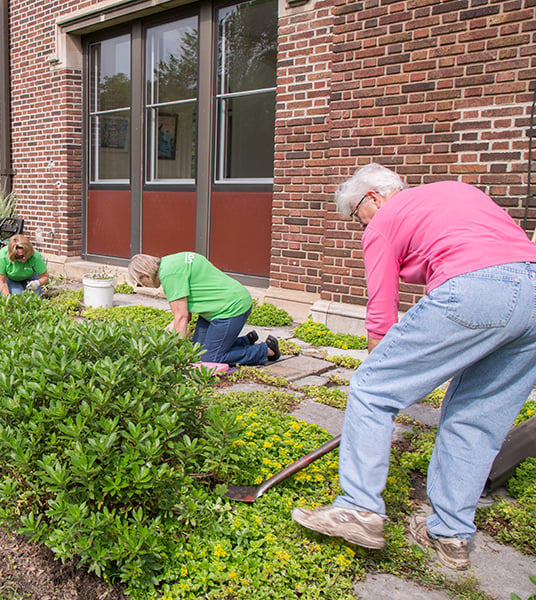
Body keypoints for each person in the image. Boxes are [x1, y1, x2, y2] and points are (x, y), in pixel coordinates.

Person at [291, 163, 536, 570]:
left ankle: (359, 508)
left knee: (371, 388)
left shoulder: (384, 219)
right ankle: (452, 535)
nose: (359, 226)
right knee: (478, 420)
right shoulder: (456, 193)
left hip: (474, 287)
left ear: (373, 197)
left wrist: (382, 373)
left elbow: (381, 312)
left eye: (355, 216)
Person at [127, 252, 279, 366]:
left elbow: (182, 318)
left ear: (145, 276)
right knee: (196, 351)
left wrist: (177, 357)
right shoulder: (172, 262)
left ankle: (266, 351)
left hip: (230, 309)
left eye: (140, 283)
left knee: (211, 359)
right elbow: (185, 314)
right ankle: (246, 341)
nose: (144, 287)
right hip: (218, 307)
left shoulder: (169, 276)